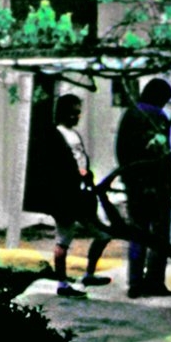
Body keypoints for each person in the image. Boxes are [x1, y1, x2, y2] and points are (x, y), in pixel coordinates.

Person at [45, 93, 112, 298]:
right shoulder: (55, 135)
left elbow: (81, 159)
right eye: (73, 113)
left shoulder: (74, 134)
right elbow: (56, 167)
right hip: (65, 196)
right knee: (63, 238)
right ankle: (62, 283)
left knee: (103, 235)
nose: (77, 117)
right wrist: (74, 176)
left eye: (78, 113)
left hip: (82, 193)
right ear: (63, 112)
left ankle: (88, 274)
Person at [115, 77, 171, 298]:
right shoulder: (159, 117)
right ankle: (154, 282)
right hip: (158, 187)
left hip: (135, 187)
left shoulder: (129, 114)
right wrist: (170, 185)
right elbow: (165, 155)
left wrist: (130, 180)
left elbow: (121, 151)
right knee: (159, 237)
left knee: (138, 234)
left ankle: (135, 283)